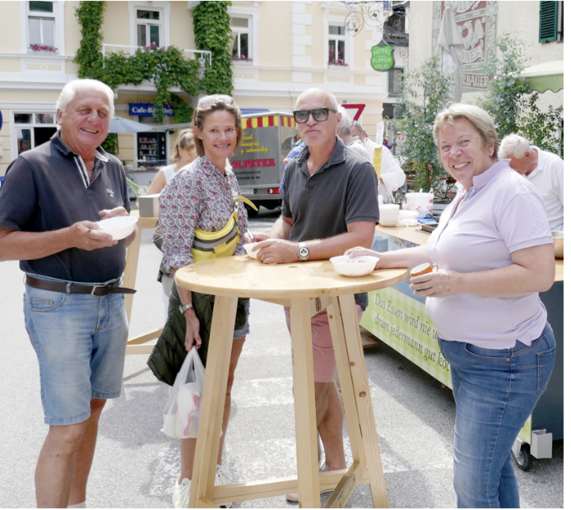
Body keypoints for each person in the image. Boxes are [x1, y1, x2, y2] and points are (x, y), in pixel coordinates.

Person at [347, 104, 556, 508]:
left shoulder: (512, 192)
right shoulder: (469, 190)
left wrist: (455, 283)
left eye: (464, 142)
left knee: (472, 487)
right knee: (491, 472)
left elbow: (538, 275)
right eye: (445, 146)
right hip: (472, 356)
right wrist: (376, 257)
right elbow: (439, 250)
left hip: (506, 358)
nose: (453, 153)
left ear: (490, 144)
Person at [0, 79, 136, 508]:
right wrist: (69, 238)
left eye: (102, 112)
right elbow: (3, 242)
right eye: (84, 110)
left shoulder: (113, 165)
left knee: (92, 412)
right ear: (59, 116)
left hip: (111, 301)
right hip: (57, 305)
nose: (94, 119)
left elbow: (123, 239)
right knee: (68, 425)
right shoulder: (30, 165)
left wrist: (122, 226)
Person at [251, 87, 379, 502]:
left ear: (336, 117)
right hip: (300, 296)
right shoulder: (294, 165)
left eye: (318, 113)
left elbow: (361, 236)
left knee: (310, 386)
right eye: (301, 114)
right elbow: (287, 222)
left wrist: (297, 251)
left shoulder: (357, 168)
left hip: (337, 297)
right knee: (321, 382)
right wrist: (268, 243)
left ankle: (310, 470)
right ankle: (336, 463)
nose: (309, 121)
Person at [150, 95, 250, 508]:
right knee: (195, 389)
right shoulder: (188, 179)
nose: (223, 137)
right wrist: (188, 312)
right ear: (199, 133)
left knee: (222, 387)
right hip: (201, 304)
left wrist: (249, 244)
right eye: (214, 130)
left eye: (229, 130)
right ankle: (189, 480)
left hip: (234, 300)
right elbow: (176, 255)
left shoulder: (227, 175)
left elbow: (228, 239)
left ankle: (216, 463)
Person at [146, 129, 197, 320]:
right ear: (180, 150)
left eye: (196, 153)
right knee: (173, 276)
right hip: (171, 234)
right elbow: (147, 200)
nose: (193, 158)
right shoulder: (166, 173)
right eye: (190, 153)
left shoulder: (200, 172)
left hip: (196, 235)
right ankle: (172, 321)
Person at [499, 133, 564, 231]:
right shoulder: (511, 172)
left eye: (513, 165)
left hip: (554, 235)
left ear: (527, 155)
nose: (510, 169)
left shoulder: (554, 165)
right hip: (524, 237)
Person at [351, 119, 406, 202]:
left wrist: (379, 179)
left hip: (379, 205)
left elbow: (400, 177)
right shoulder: (344, 153)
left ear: (364, 134)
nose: (353, 142)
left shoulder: (380, 151)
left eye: (355, 137)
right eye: (350, 139)